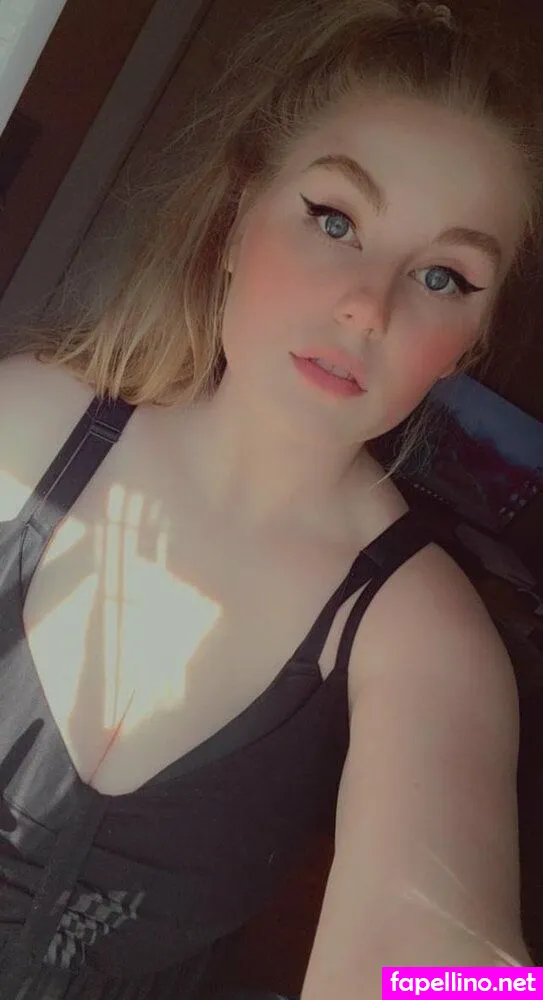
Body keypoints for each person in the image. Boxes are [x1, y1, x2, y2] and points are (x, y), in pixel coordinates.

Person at [0, 0, 540, 996]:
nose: (368, 305)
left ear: (470, 342)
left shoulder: (424, 638)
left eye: (443, 276)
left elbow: (455, 970)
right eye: (335, 220)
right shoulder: (23, 429)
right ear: (236, 218)